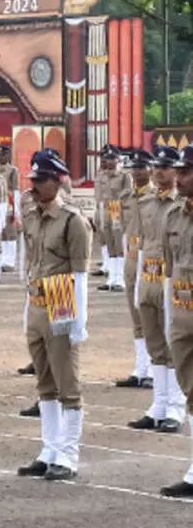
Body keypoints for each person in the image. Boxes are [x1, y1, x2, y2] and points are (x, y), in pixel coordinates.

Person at [12, 151, 90, 481]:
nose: (36, 186)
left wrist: (79, 321)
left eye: (42, 180)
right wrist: (27, 309)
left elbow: (80, 274)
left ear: (57, 182)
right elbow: (31, 262)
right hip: (37, 304)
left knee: (66, 384)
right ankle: (49, 450)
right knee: (44, 383)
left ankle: (68, 454)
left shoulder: (73, 221)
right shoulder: (31, 217)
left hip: (62, 306)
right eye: (34, 180)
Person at [127, 146, 185, 434]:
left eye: (166, 167)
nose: (159, 172)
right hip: (148, 276)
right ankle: (158, 405)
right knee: (155, 344)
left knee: (174, 344)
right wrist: (139, 281)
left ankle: (175, 407)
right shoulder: (145, 200)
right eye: (157, 167)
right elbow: (140, 243)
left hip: (172, 278)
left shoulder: (180, 204)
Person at [156, 147, 193, 497]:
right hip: (183, 314)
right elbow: (169, 272)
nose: (180, 178)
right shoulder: (173, 216)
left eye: (187, 172)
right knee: (191, 390)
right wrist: (170, 318)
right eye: (179, 172)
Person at [116, 149, 155, 387]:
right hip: (131, 256)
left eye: (142, 167)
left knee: (152, 315)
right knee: (136, 315)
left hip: (151, 258)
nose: (137, 171)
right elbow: (123, 228)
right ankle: (140, 368)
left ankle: (153, 367)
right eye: (134, 167)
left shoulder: (156, 196)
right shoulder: (126, 196)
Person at [93, 151, 129, 288]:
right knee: (109, 243)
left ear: (117, 160)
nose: (107, 162)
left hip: (118, 209)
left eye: (111, 159)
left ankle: (121, 278)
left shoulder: (124, 176)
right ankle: (111, 278)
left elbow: (128, 195)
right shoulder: (101, 175)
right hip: (105, 209)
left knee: (119, 243)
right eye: (106, 159)